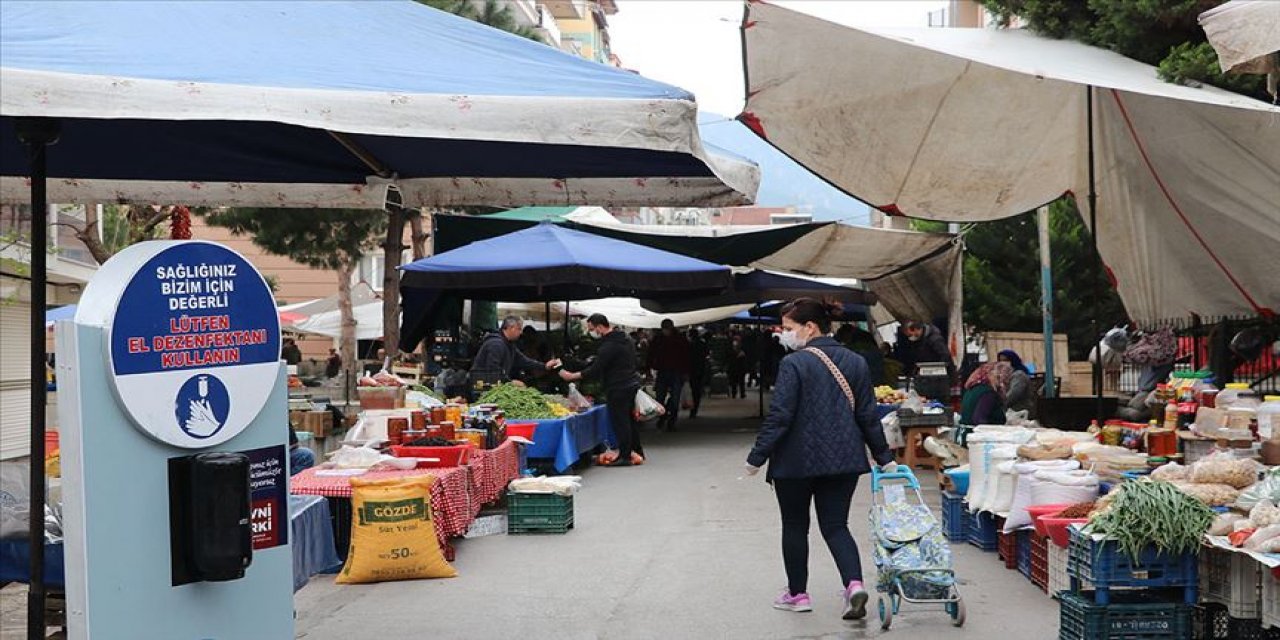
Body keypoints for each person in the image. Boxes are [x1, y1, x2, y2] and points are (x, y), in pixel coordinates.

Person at [746, 299, 897, 620]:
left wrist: (757, 456)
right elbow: (868, 416)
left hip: (795, 462)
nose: (784, 335)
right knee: (836, 525)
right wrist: (884, 458)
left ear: (809, 327)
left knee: (795, 526)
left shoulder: (795, 364)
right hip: (843, 460)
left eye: (788, 329)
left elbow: (780, 415)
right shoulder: (856, 362)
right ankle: (854, 585)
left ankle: (798, 595)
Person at [559, 314, 645, 467]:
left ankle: (625, 456)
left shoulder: (609, 345)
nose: (593, 332)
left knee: (621, 421)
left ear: (599, 326)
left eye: (592, 329)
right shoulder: (626, 339)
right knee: (629, 419)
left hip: (618, 386)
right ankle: (636, 451)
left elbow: (597, 368)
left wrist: (573, 376)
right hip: (630, 383)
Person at [469, 316, 560, 394]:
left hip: (494, 384)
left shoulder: (509, 344)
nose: (521, 333)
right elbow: (493, 369)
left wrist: (544, 366)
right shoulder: (496, 344)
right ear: (511, 328)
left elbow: (523, 360)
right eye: (519, 329)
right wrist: (511, 382)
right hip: (481, 384)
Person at [648, 319, 691, 431]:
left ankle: (671, 420)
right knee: (660, 398)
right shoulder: (659, 339)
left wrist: (685, 372)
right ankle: (664, 416)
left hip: (675, 371)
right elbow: (651, 354)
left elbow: (686, 356)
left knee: (674, 398)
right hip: (664, 370)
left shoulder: (678, 339)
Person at [997, 349, 1034, 414]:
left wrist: (998, 405)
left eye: (1006, 360)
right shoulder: (1005, 375)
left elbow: (1013, 396)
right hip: (1011, 411)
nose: (1003, 363)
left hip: (1021, 411)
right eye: (1000, 360)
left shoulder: (1019, 375)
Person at [687, 329, 710, 419]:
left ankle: (692, 408)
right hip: (700, 369)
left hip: (691, 370)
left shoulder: (689, 345)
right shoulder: (702, 344)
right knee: (697, 390)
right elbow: (706, 354)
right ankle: (694, 408)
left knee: (693, 389)